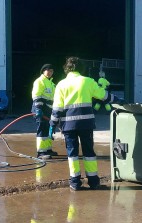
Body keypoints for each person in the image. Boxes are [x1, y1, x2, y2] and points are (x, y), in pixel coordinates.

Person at [49, 56, 124, 190]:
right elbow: (103, 95)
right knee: (89, 152)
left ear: (67, 69)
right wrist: (118, 99)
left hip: (68, 126)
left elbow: (57, 108)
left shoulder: (61, 84)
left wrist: (52, 123)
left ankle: (75, 182)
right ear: (81, 68)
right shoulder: (88, 81)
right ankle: (93, 181)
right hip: (86, 124)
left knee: (72, 153)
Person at [31, 64, 58, 159]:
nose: (50, 72)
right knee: (42, 130)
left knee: (48, 129)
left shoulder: (51, 83)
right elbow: (37, 95)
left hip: (48, 110)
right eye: (48, 70)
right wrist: (38, 109)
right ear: (43, 71)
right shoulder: (40, 81)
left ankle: (48, 149)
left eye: (52, 71)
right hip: (41, 110)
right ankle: (41, 152)